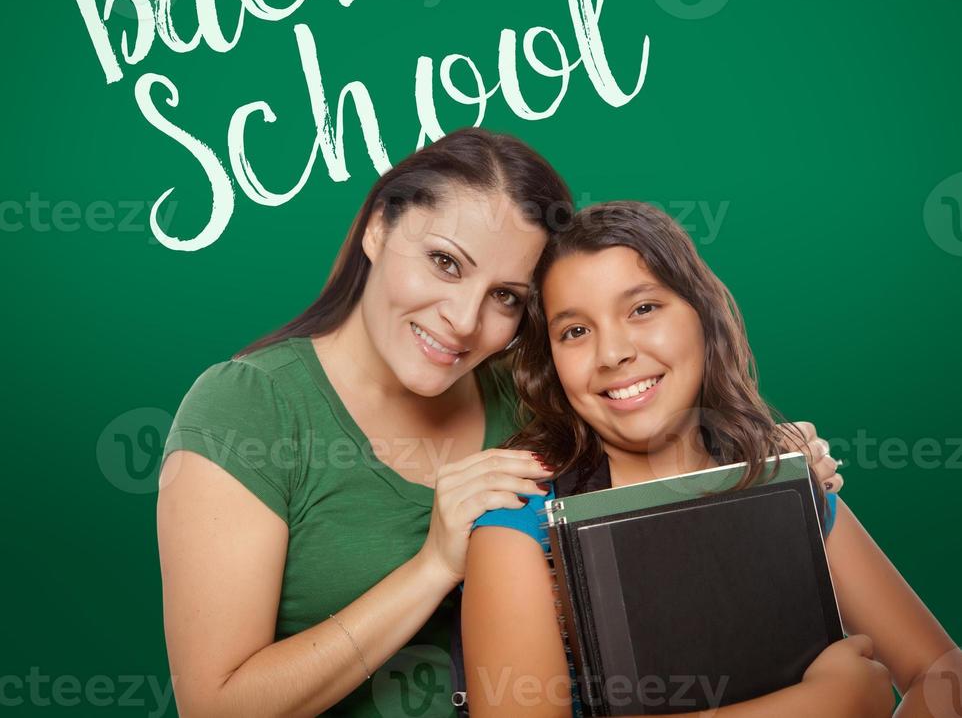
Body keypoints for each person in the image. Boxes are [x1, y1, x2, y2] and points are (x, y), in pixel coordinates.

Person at [157, 130, 841, 718]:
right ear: (376, 228)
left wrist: (769, 474)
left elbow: (664, 479)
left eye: (505, 297)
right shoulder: (248, 408)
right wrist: (432, 567)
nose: (462, 320)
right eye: (444, 262)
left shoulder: (533, 400)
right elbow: (217, 704)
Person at [463, 200, 962, 718]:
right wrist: (823, 705)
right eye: (575, 331)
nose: (612, 353)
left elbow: (942, 671)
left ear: (703, 317)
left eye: (643, 308)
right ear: (552, 364)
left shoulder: (786, 479)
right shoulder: (520, 522)